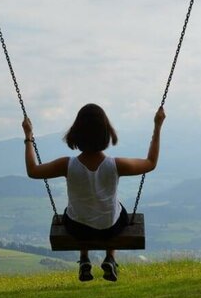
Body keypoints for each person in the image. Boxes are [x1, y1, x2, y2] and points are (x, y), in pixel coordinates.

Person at [22, 104, 165, 282]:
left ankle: (84, 259)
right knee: (117, 209)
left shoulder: (67, 165)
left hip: (77, 229)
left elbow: (33, 171)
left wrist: (28, 137)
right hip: (109, 229)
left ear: (76, 133)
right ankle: (110, 258)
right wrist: (157, 126)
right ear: (106, 132)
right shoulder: (116, 165)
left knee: (76, 211)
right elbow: (150, 163)